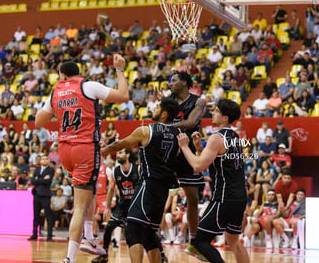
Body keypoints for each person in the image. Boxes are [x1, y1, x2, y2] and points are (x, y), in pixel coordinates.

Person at [35, 54, 129, 263]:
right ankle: (70, 257)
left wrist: (58, 110)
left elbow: (38, 121)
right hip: (85, 147)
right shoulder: (88, 86)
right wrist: (120, 70)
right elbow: (123, 96)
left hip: (64, 150)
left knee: (89, 190)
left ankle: (89, 237)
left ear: (62, 75)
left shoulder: (56, 92)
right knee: (80, 204)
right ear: (78, 73)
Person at [101, 97, 181, 263]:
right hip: (164, 189)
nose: (154, 108)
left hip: (148, 184)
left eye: (158, 107)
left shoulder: (146, 131)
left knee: (133, 230)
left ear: (164, 114)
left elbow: (120, 144)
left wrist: (102, 150)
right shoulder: (179, 135)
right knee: (149, 234)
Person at [177, 98, 249, 263]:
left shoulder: (217, 137)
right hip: (239, 198)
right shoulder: (235, 136)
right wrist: (199, 148)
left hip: (224, 197)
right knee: (233, 242)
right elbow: (219, 160)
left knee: (199, 241)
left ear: (225, 118)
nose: (213, 113)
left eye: (216, 111)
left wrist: (184, 147)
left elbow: (198, 166)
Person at [168, 70, 207, 256]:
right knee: (158, 196)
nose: (170, 83)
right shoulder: (168, 101)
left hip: (187, 153)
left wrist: (166, 126)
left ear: (184, 83)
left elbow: (191, 122)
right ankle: (151, 236)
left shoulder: (199, 101)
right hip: (167, 153)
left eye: (173, 80)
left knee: (193, 199)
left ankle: (194, 242)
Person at [92, 148, 140, 263]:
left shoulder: (138, 169)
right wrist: (107, 208)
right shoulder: (115, 171)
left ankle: (161, 255)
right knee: (109, 227)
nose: (117, 155)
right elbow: (111, 189)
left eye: (120, 152)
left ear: (127, 155)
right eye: (117, 153)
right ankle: (104, 255)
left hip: (136, 205)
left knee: (139, 232)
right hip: (123, 205)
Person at [28, 155, 55, 241]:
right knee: (36, 215)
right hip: (36, 194)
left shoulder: (51, 170)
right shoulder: (37, 169)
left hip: (45, 195)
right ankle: (35, 234)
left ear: (48, 161)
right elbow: (32, 181)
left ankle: (49, 235)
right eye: (42, 159)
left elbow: (47, 181)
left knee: (48, 216)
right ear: (40, 161)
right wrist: (41, 179)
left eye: (46, 159)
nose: (44, 160)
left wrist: (38, 179)